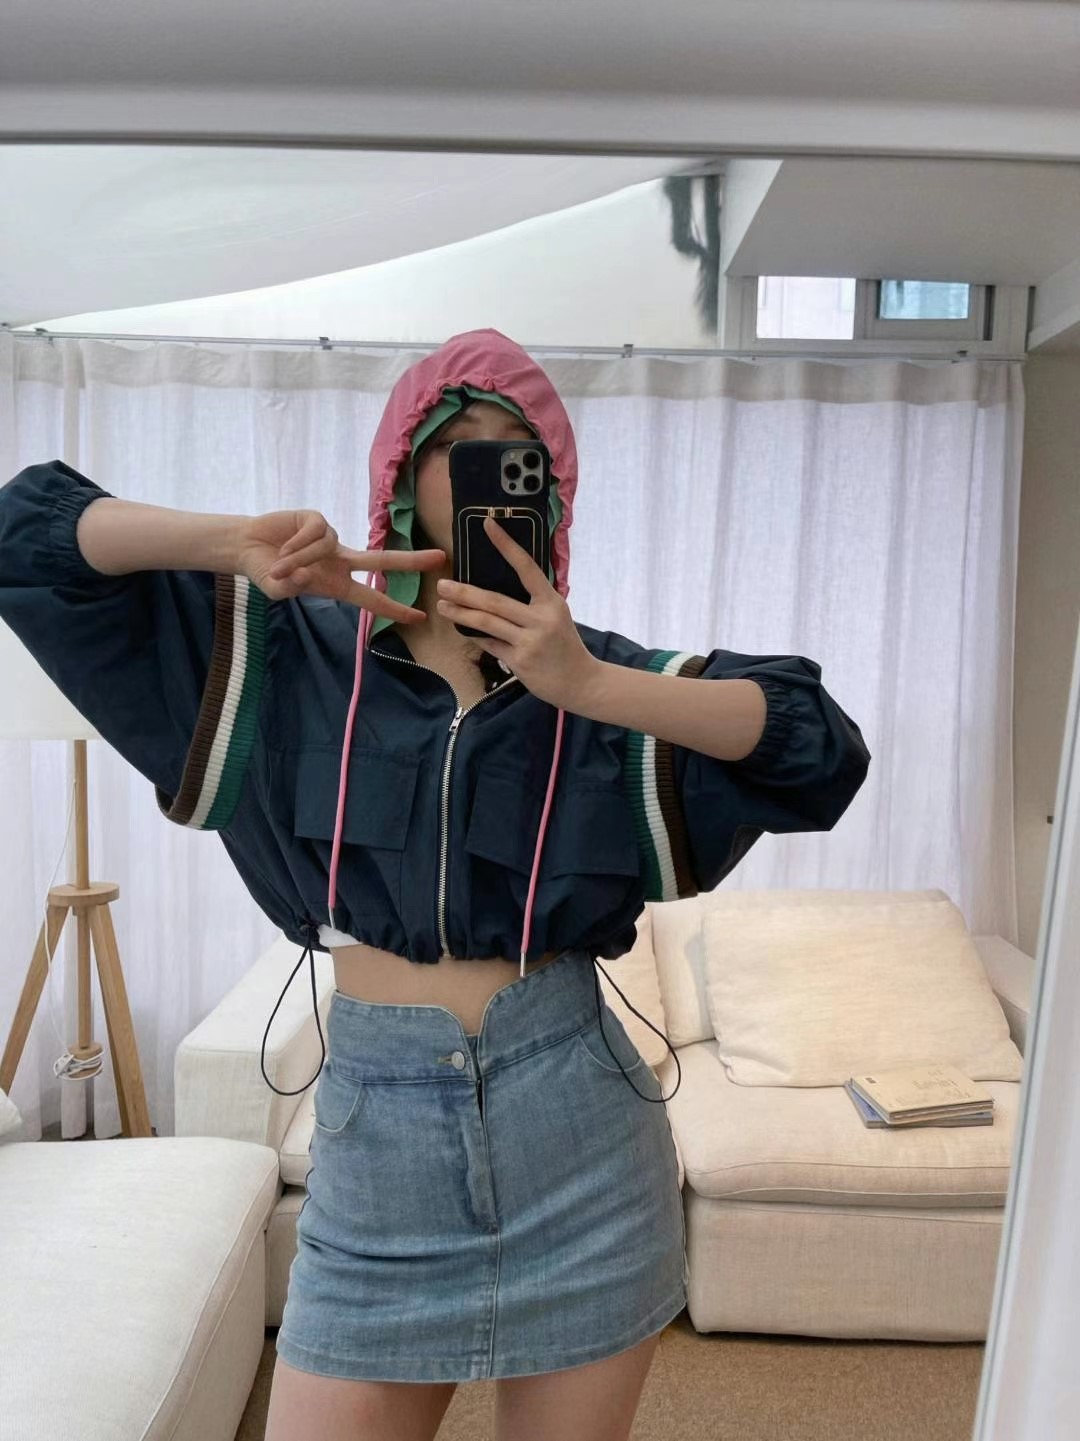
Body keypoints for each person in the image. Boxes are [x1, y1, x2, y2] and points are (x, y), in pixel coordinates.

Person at [0, 327, 871, 1439]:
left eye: (518, 455)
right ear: (403, 474)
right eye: (459, 448)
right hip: (379, 1160)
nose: (488, 474)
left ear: (554, 493)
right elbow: (26, 537)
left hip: (585, 1143)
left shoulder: (600, 679)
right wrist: (235, 542)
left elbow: (818, 744)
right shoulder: (287, 656)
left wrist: (588, 683)